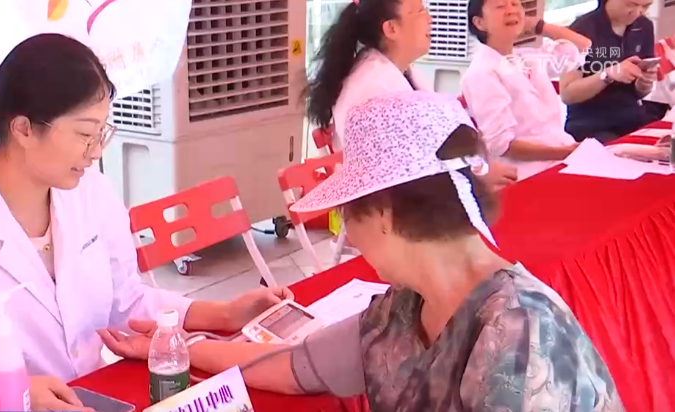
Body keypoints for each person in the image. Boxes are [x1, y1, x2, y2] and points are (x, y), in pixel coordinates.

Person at [100, 91, 624, 411]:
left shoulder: (518, 332)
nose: (347, 231)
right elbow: (292, 365)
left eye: (348, 211)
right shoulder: (407, 306)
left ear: (385, 215)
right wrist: (176, 348)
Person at [0, 33, 292, 412]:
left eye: (102, 132)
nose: (96, 151)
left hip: (94, 396)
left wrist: (222, 315)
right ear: (23, 129)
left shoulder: (90, 192)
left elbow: (127, 301)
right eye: (85, 134)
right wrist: (13, 394)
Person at [307, 0, 518, 190]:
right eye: (419, 11)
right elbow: (411, 166)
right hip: (391, 206)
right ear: (391, 29)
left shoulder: (397, 70)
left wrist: (476, 168)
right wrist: (476, 175)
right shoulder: (374, 86)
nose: (430, 18)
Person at [463, 0, 591, 180]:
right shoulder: (482, 72)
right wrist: (564, 153)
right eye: (500, 6)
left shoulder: (527, 58)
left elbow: (582, 46)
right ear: (479, 22)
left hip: (563, 157)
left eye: (515, 4)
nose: (511, 10)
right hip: (528, 172)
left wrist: (539, 26)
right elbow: (502, 146)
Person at [560, 0, 657, 142]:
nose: (638, 13)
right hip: (590, 124)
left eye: (645, 6)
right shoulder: (580, 31)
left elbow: (640, 93)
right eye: (631, 4)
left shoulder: (644, 26)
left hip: (632, 117)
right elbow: (567, 94)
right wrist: (607, 75)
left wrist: (644, 84)